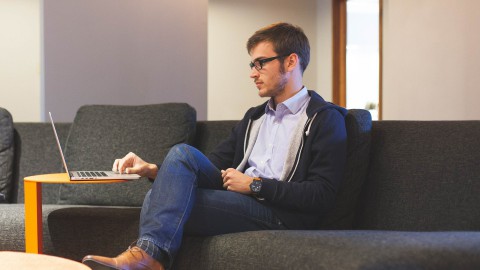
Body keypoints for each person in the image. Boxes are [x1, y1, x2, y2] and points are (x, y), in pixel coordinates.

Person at [82, 22, 347, 270]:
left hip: (281, 214)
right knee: (182, 155)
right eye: (252, 64)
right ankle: (149, 257)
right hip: (241, 198)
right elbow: (209, 165)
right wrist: (152, 169)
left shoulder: (323, 118)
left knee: (160, 199)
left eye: (261, 63)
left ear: (291, 61)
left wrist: (254, 185)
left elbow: (322, 194)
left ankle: (148, 257)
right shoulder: (254, 117)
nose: (253, 73)